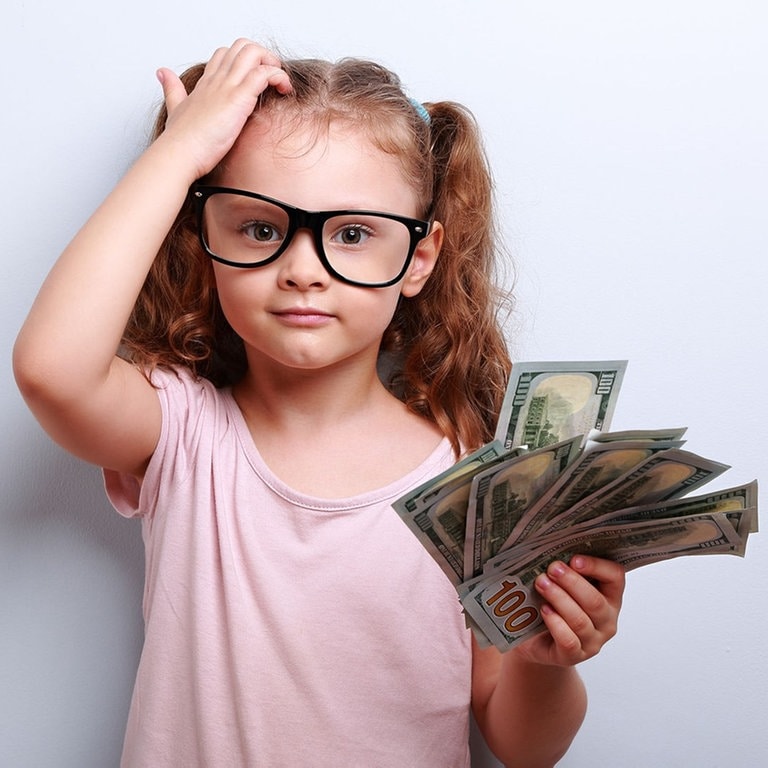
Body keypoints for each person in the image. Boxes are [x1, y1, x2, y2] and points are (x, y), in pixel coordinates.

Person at [13, 40, 625, 767]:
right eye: (262, 228)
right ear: (205, 235)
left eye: (354, 233)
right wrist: (180, 155)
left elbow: (524, 748)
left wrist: (543, 663)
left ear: (417, 261)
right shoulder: (183, 432)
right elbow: (52, 369)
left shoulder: (478, 479)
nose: (303, 270)